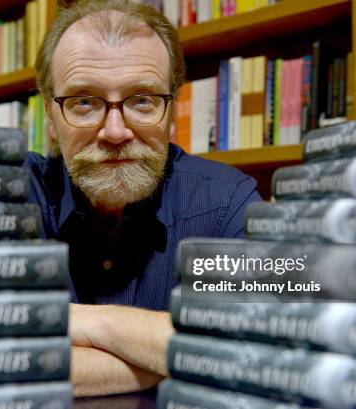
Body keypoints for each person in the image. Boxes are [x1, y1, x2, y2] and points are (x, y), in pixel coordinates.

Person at [26, 0, 262, 397]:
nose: (115, 132)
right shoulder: (9, 200)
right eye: (84, 101)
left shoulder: (228, 205)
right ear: (51, 116)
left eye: (142, 100)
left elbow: (257, 351)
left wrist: (88, 323)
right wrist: (182, 352)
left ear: (171, 113)